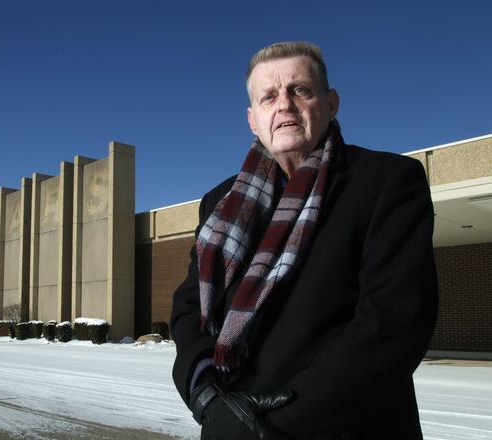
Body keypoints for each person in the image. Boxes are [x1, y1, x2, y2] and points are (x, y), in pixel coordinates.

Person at [170, 41, 439, 439]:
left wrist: (271, 424)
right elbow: (189, 307)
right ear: (253, 119)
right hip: (230, 424)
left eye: (300, 90)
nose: (284, 105)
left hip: (340, 427)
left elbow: (393, 323)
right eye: (269, 96)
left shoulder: (387, 181)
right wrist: (207, 397)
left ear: (331, 103)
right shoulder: (221, 203)